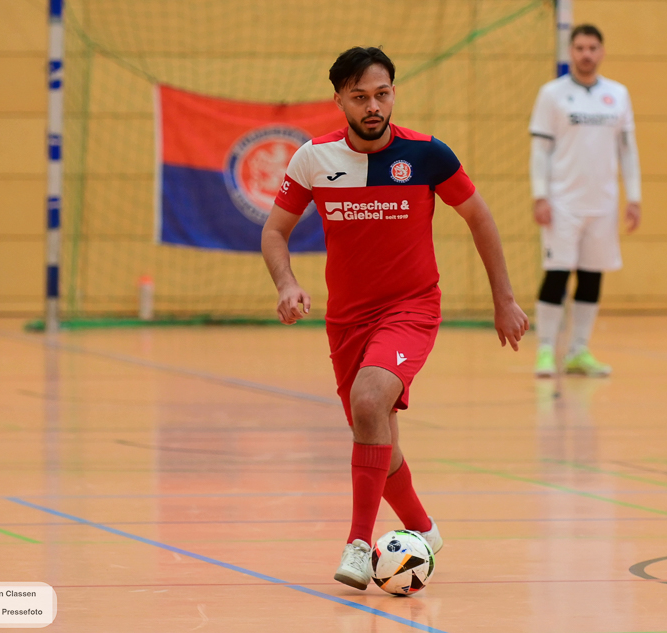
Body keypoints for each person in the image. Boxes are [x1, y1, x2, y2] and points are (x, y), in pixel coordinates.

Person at [261, 46, 529, 590]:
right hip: (347, 321)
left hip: (411, 308)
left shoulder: (427, 155)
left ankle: (359, 545)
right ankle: (423, 530)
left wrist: (503, 299)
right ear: (339, 100)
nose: (373, 107)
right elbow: (274, 231)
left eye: (382, 94)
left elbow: (479, 218)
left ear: (393, 94)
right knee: (376, 435)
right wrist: (286, 284)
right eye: (359, 97)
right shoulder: (313, 159)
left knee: (368, 401)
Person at [529, 24, 642, 377]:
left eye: (592, 48)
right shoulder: (552, 94)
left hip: (603, 205)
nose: (586, 54)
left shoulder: (618, 94)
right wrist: (540, 195)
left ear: (602, 51)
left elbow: (628, 150)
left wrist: (634, 197)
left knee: (592, 276)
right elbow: (540, 150)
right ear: (571, 51)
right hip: (562, 202)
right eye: (580, 48)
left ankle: (578, 350)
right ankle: (546, 349)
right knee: (557, 274)